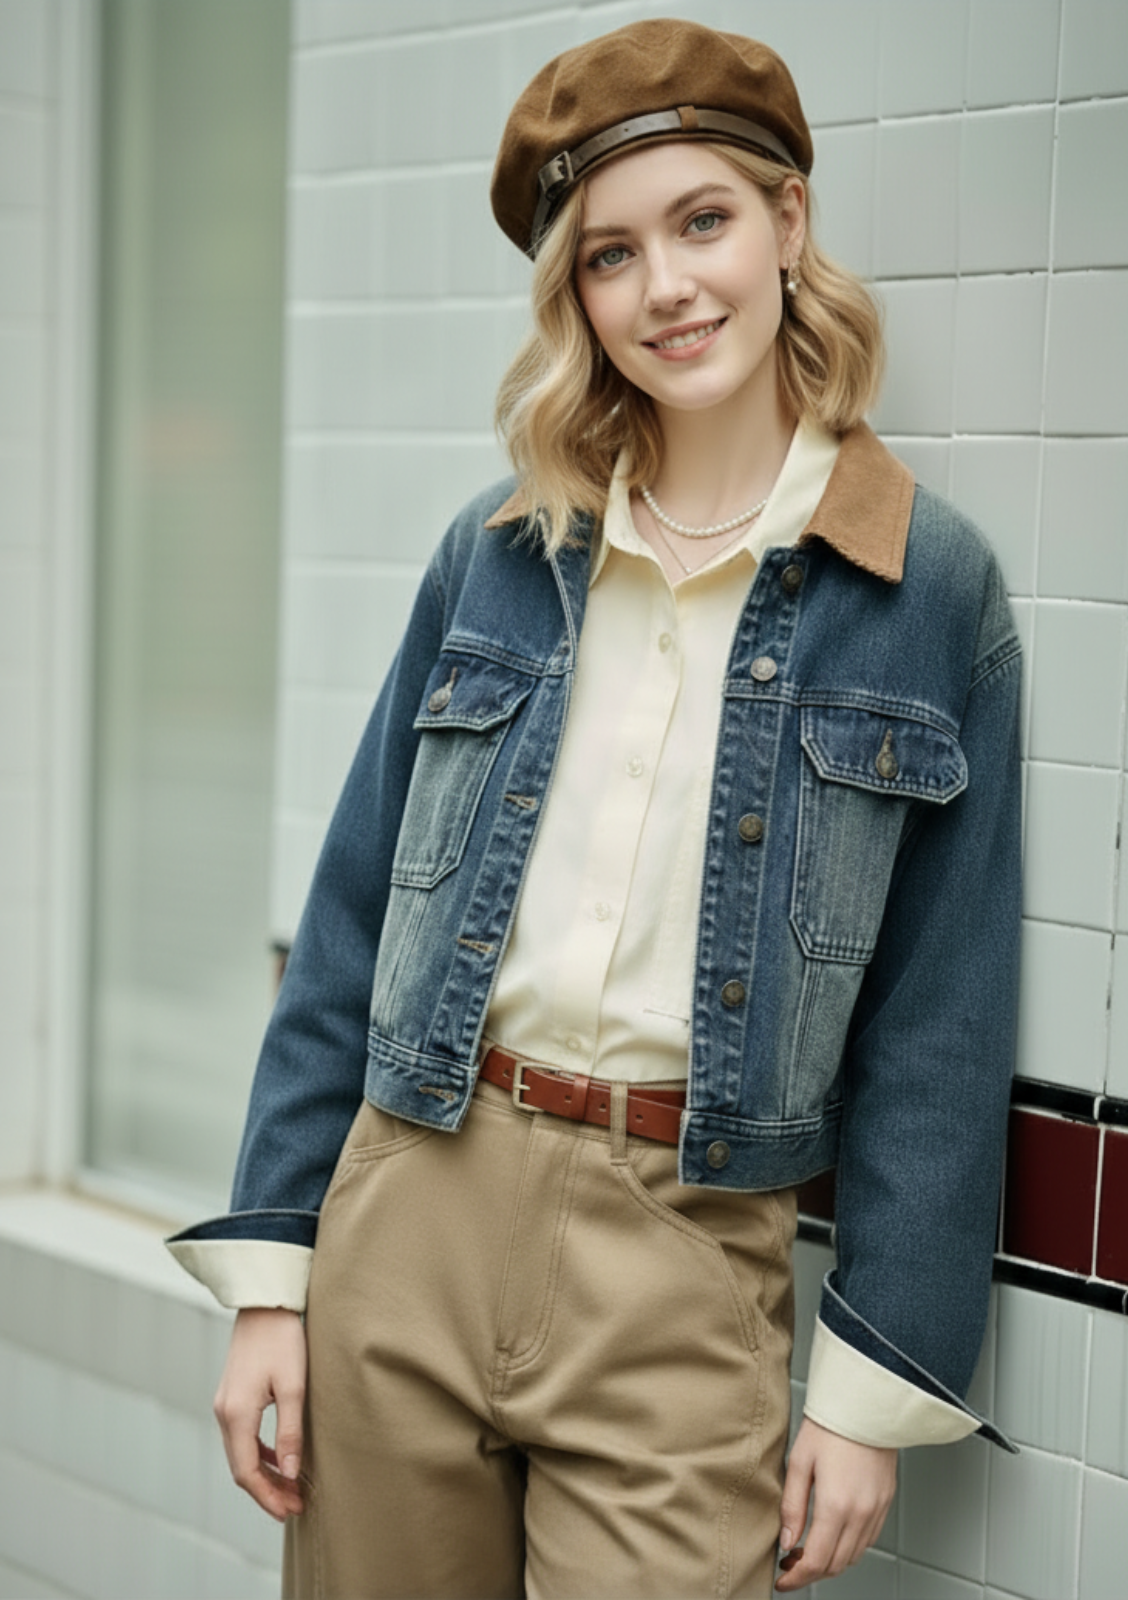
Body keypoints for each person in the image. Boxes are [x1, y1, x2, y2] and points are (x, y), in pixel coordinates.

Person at [168, 19, 1022, 1598]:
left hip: (689, 1255)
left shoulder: (924, 588)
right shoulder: (497, 552)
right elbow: (357, 914)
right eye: (610, 256)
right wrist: (273, 1279)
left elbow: (939, 1019)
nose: (666, 288)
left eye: (702, 221)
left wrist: (872, 1381)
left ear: (788, 225)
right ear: (575, 299)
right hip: (411, 1197)